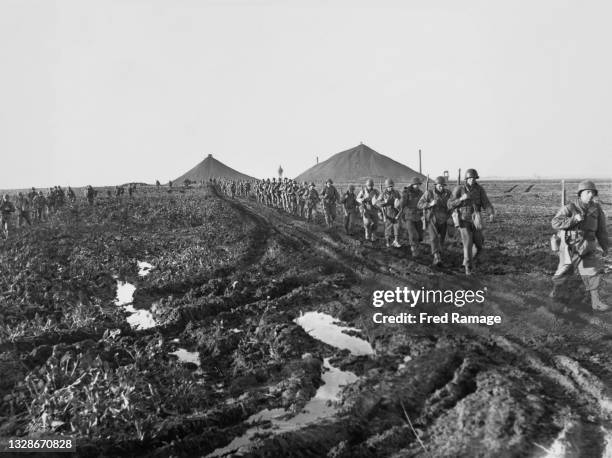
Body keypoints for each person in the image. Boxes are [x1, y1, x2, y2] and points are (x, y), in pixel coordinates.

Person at [550, 180, 609, 311]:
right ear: (580, 193)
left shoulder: (597, 209)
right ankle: (556, 299)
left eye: (592, 192)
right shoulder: (570, 207)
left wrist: (606, 248)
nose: (590, 195)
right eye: (588, 192)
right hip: (572, 248)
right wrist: (573, 220)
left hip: (589, 247)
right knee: (564, 274)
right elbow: (555, 223)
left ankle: (596, 302)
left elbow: (602, 230)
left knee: (592, 274)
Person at [448, 168, 494, 275]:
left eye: (474, 178)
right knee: (468, 242)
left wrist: (491, 212)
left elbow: (486, 203)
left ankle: (468, 260)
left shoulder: (479, 189)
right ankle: (468, 267)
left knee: (479, 244)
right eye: (470, 178)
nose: (472, 180)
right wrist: (461, 199)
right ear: (466, 178)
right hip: (463, 219)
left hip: (476, 219)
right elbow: (449, 204)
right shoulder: (459, 189)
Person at [418, 176, 451, 266]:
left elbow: (452, 204)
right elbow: (419, 204)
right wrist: (429, 204)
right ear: (436, 185)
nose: (441, 187)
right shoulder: (429, 193)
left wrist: (449, 213)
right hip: (432, 219)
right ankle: (436, 256)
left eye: (443, 185)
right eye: (439, 185)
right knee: (433, 238)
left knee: (442, 239)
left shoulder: (448, 193)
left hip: (443, 219)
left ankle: (439, 253)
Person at [400, 177, 424, 256]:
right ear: (412, 184)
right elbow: (402, 205)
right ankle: (414, 249)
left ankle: (416, 246)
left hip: (418, 216)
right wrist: (403, 196)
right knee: (414, 234)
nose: (417, 186)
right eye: (415, 184)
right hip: (409, 216)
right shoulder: (406, 193)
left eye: (418, 184)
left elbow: (423, 203)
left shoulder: (421, 193)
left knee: (420, 235)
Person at [377, 178, 403, 248]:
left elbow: (400, 201)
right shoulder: (383, 194)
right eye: (389, 186)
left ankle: (396, 241)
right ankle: (387, 242)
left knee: (397, 227)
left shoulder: (396, 193)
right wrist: (384, 202)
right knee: (388, 228)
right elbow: (378, 203)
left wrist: (398, 202)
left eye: (391, 186)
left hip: (395, 211)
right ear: (386, 186)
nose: (390, 188)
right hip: (387, 213)